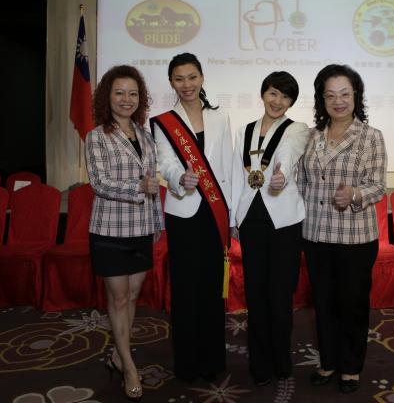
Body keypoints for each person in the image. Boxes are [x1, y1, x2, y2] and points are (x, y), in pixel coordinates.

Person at [297, 64, 387, 394]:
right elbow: (302, 183)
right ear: (321, 99)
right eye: (331, 95)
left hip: (355, 237)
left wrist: (355, 194)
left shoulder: (371, 136)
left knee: (352, 304)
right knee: (323, 302)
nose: (338, 101)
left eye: (345, 94)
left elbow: (378, 186)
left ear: (356, 96)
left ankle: (350, 366)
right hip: (316, 234)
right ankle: (328, 361)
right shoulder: (311, 136)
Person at [151, 52, 233, 383]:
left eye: (192, 77)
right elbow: (165, 162)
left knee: (212, 288)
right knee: (185, 289)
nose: (186, 84)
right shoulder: (164, 122)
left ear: (202, 78)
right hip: (183, 212)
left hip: (215, 212)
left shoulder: (221, 116)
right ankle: (186, 363)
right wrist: (178, 179)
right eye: (179, 79)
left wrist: (232, 216)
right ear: (171, 83)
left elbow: (227, 166)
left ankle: (212, 360)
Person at [85, 65, 163, 402]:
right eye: (119, 92)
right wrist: (137, 187)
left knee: (131, 297)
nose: (126, 99)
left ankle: (119, 354)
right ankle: (129, 367)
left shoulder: (145, 135)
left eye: (133, 93)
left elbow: (154, 184)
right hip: (110, 229)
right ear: (108, 97)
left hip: (141, 227)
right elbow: (99, 183)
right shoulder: (96, 136)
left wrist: (157, 223)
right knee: (117, 298)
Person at [229, 71, 309, 386]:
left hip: (284, 222)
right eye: (273, 93)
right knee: (256, 294)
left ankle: (281, 359)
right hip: (252, 220)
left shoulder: (296, 129)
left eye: (285, 96)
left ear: (291, 102)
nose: (278, 101)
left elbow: (288, 153)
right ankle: (259, 363)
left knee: (280, 294)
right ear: (263, 93)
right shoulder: (244, 130)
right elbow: (237, 176)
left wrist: (282, 174)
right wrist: (233, 219)